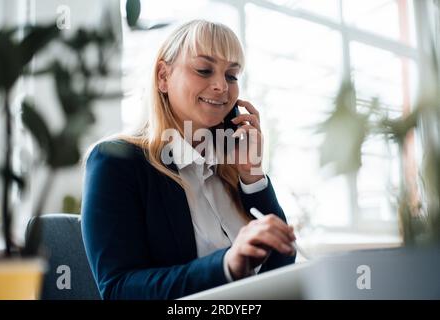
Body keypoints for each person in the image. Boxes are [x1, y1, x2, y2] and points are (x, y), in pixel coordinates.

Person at [81, 19, 296, 300]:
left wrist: (253, 178)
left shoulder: (230, 168)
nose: (221, 86)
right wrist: (226, 265)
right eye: (204, 70)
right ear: (163, 77)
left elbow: (281, 266)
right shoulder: (116, 162)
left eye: (232, 75)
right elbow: (119, 289)